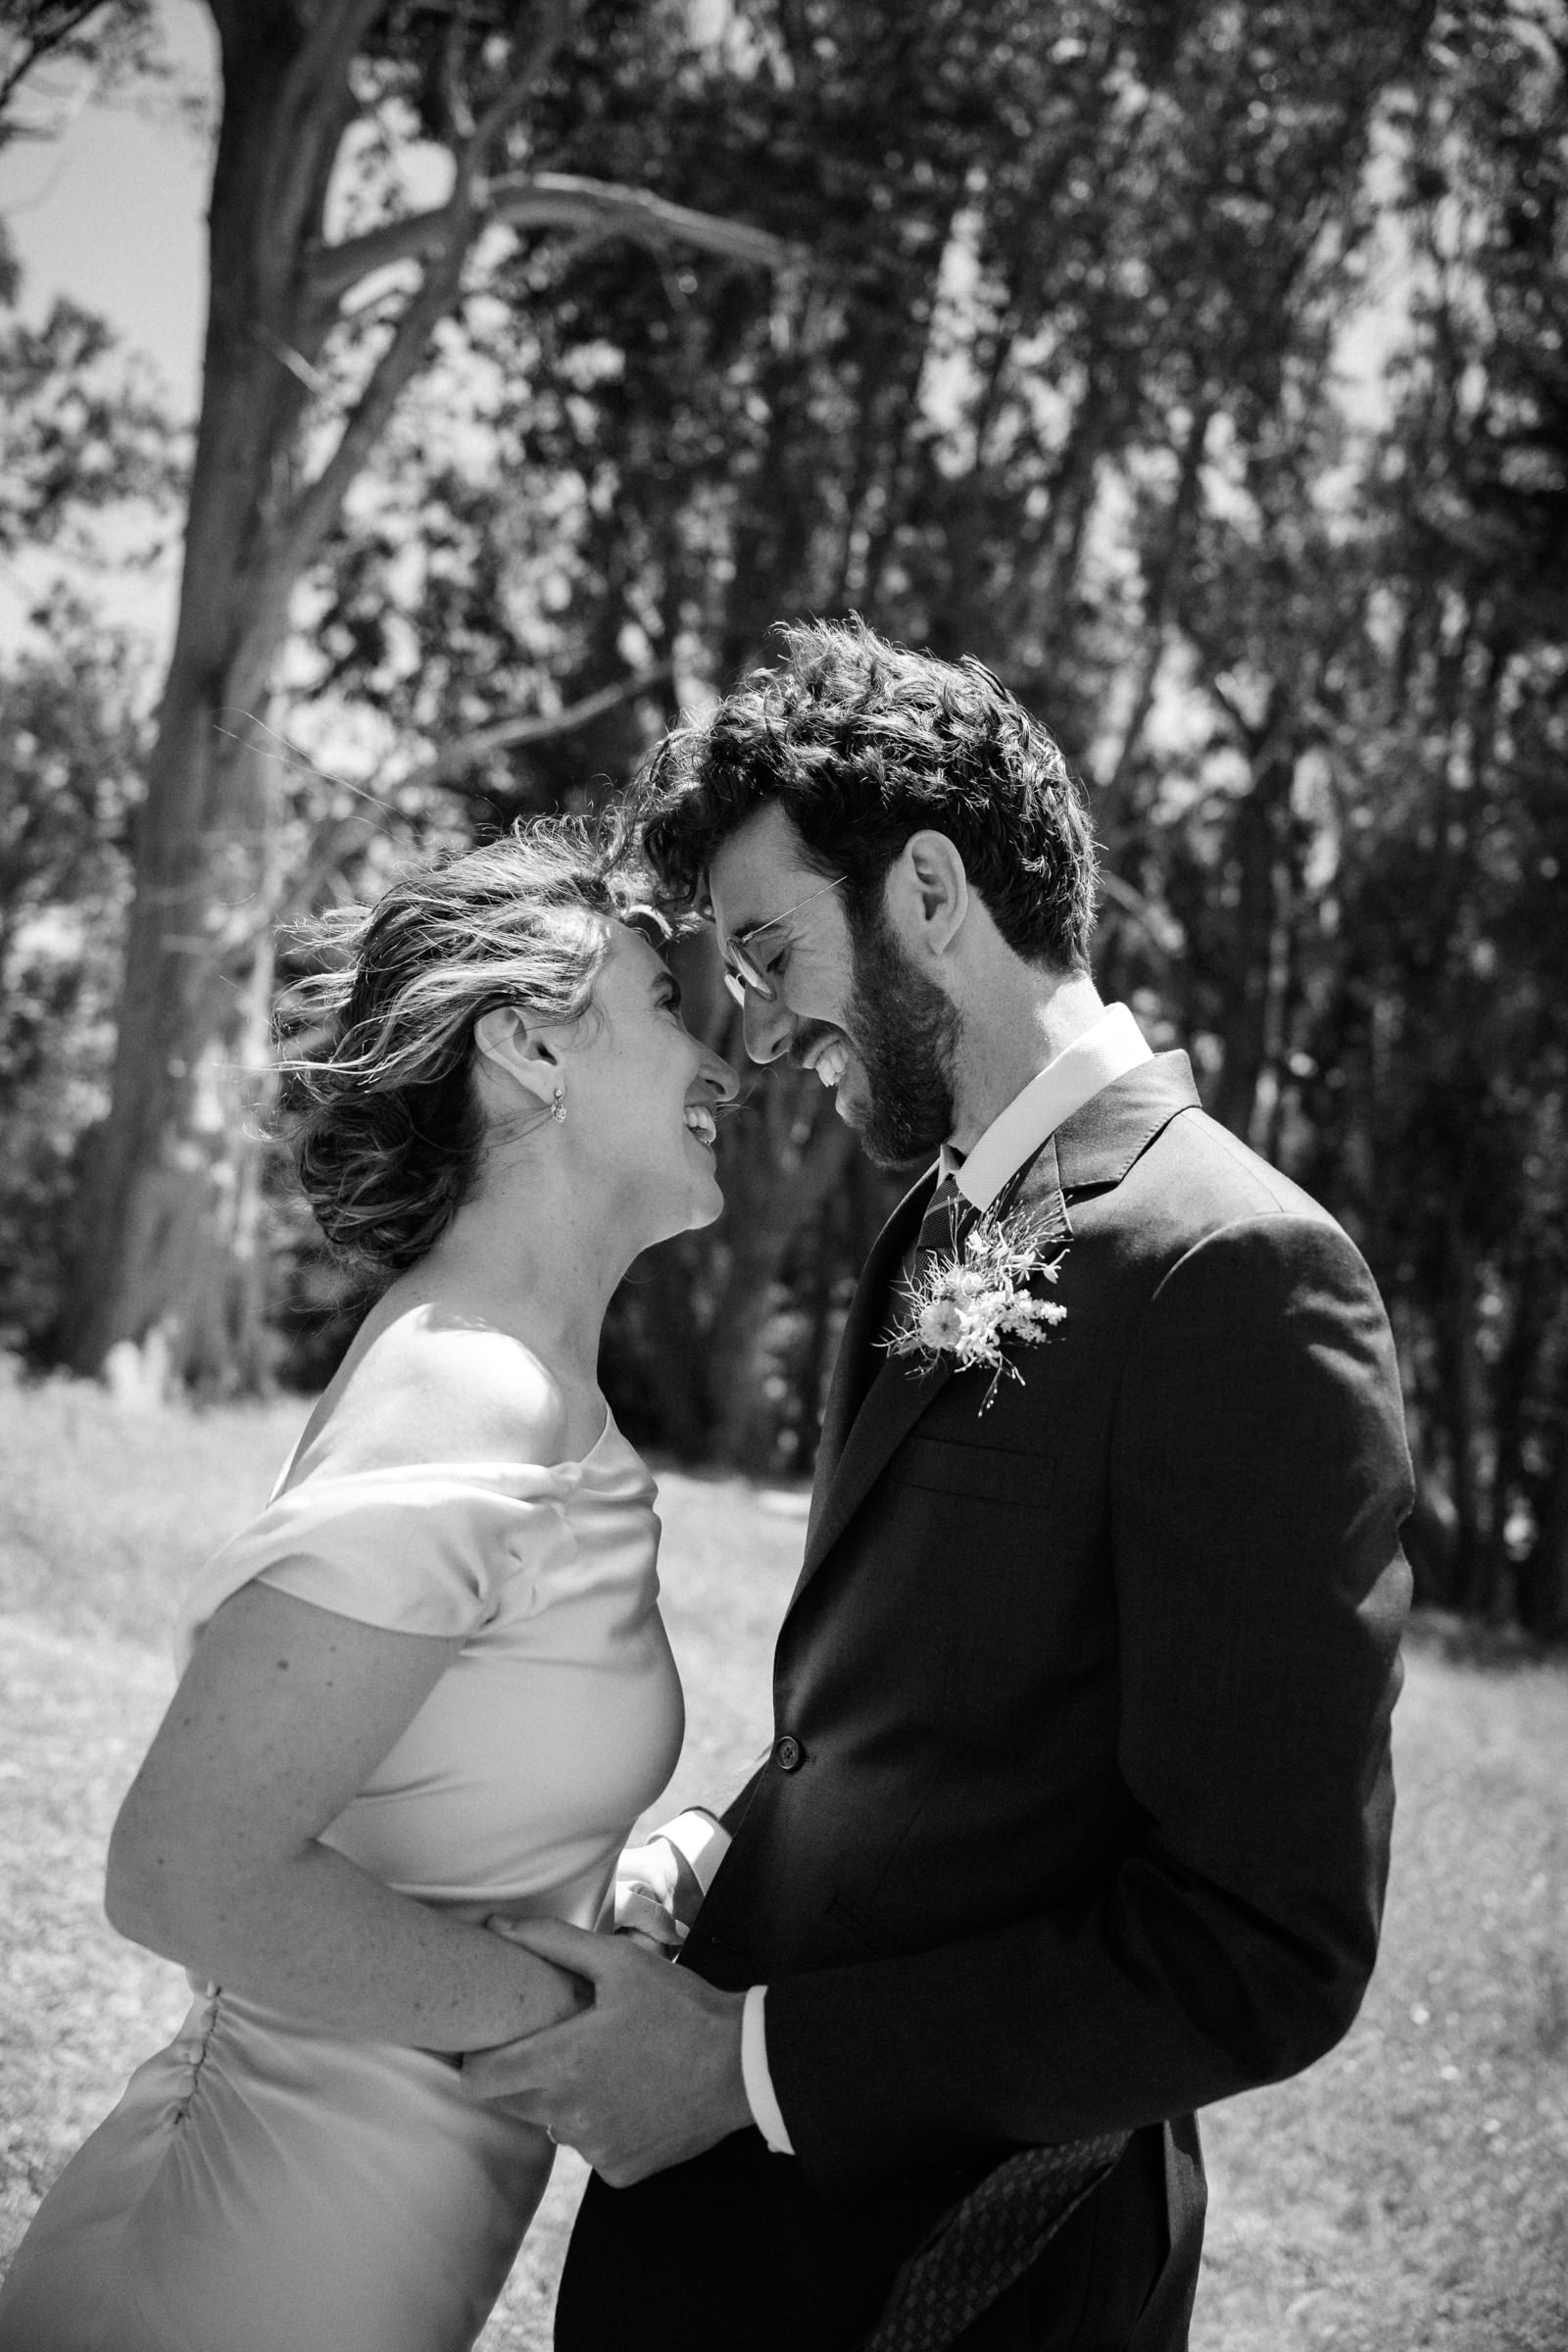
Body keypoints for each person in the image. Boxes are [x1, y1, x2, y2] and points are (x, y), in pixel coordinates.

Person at [465, 621, 1415, 2352]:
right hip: (748, 2228)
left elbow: (1263, 1941)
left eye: (769, 953)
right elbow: (909, 1721)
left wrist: (748, 2068)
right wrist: (718, 1846)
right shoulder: (938, 1223)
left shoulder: (1244, 1273)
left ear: (926, 892)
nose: (749, 1040)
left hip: (971, 2265)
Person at [0, 822, 736, 2352]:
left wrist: (633, 1895)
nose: (715, 1055)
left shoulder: (519, 1375)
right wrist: (593, 2029)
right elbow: (186, 1872)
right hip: (223, 2286)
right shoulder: (467, 1386)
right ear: (531, 1044)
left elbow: (438, 1823)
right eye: (665, 1003)